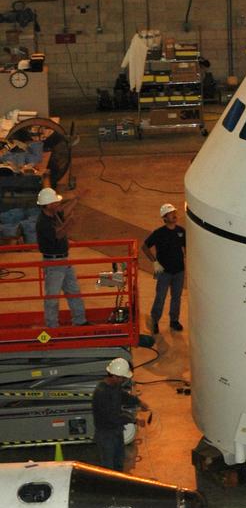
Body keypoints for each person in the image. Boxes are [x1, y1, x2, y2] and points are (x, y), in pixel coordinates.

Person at [35, 186, 87, 328]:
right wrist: (69, 225)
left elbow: (64, 211)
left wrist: (76, 199)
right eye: (55, 202)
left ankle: (80, 321)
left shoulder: (53, 215)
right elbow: (58, 235)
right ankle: (52, 326)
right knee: (52, 297)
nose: (58, 204)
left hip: (62, 260)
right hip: (53, 263)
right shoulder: (43, 223)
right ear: (48, 205)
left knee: (74, 291)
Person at [92, 357, 149, 471]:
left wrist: (138, 402)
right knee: (108, 469)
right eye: (122, 378)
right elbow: (113, 417)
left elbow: (122, 395)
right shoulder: (101, 393)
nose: (123, 380)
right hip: (106, 435)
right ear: (114, 376)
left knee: (119, 463)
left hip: (116, 431)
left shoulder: (114, 385)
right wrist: (134, 420)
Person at [142, 203, 186, 333]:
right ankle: (155, 320)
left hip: (179, 271)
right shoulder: (159, 233)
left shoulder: (181, 232)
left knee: (176, 297)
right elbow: (144, 247)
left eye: (174, 213)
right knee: (160, 296)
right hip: (164, 272)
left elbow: (186, 246)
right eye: (171, 213)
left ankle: (174, 320)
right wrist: (154, 262)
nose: (174, 215)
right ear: (164, 217)